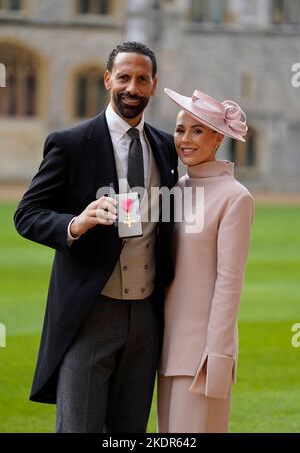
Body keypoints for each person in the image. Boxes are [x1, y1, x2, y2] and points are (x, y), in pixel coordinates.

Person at [14, 42, 178, 433]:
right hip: (91, 311)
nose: (132, 88)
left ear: (153, 85)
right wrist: (76, 223)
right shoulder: (71, 144)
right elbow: (27, 215)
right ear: (108, 80)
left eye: (142, 79)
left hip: (147, 318)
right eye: (124, 77)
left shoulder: (166, 148)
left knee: (129, 432)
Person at [157, 88, 254, 433]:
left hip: (201, 354)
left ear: (218, 139)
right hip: (162, 348)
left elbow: (229, 283)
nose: (185, 139)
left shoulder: (235, 197)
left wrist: (217, 355)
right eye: (180, 129)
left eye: (197, 130)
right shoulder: (174, 189)